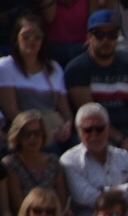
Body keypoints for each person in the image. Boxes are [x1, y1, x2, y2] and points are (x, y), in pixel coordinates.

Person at [65, 10, 128, 159]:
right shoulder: (76, 69)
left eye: (111, 35)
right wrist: (122, 140)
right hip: (95, 131)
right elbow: (90, 115)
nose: (106, 40)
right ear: (89, 37)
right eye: (99, 35)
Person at [0, 17, 75, 153]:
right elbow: (11, 111)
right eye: (26, 36)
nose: (32, 40)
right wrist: (41, 132)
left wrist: (67, 126)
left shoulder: (54, 68)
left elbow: (65, 111)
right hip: (25, 131)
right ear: (16, 38)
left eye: (37, 36)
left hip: (54, 129)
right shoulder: (6, 66)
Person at [62, 102, 128, 215]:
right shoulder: (69, 160)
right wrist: (125, 189)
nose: (94, 135)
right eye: (88, 130)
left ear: (108, 128)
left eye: (99, 129)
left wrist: (104, 191)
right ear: (78, 131)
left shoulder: (124, 156)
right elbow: (85, 198)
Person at [4, 112, 71, 216]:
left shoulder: (54, 162)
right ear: (18, 136)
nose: (33, 138)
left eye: (37, 133)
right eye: (27, 134)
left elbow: (63, 201)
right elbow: (19, 206)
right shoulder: (11, 164)